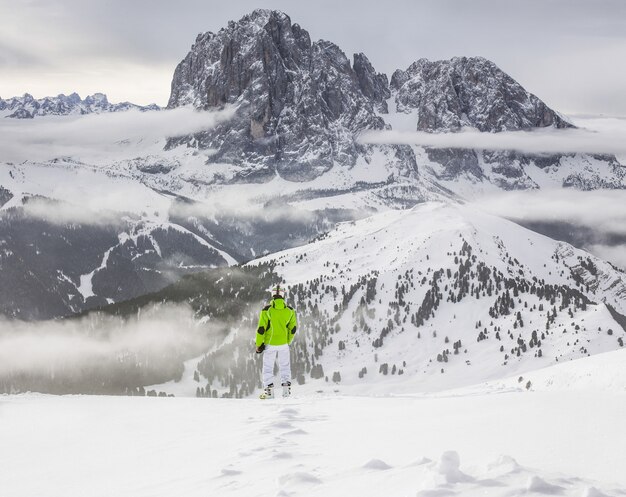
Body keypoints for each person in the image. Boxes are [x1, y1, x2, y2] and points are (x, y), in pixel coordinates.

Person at [255, 284, 297, 399]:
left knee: (268, 367)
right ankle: (286, 392)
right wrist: (287, 341)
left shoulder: (266, 310)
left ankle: (269, 393)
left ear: (273, 295)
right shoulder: (290, 310)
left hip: (270, 344)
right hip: (284, 344)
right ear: (283, 296)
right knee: (285, 366)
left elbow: (261, 329)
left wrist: (259, 345)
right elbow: (293, 329)